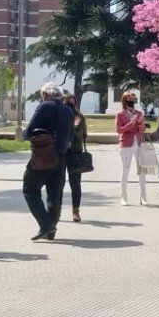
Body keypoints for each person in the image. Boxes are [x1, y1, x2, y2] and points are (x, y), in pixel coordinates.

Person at [23, 83, 75, 241]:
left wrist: (26, 133)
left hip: (43, 156)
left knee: (30, 190)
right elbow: (71, 135)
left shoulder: (45, 106)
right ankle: (51, 231)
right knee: (54, 195)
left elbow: (30, 130)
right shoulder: (68, 110)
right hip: (61, 157)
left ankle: (45, 225)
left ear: (45, 94)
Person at [115, 91, 148, 206]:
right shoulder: (120, 114)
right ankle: (123, 197)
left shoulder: (139, 113)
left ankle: (143, 197)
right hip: (126, 145)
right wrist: (131, 123)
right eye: (130, 99)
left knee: (141, 171)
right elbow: (119, 130)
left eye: (134, 99)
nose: (132, 102)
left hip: (138, 143)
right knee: (125, 171)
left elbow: (142, 130)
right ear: (125, 100)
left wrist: (140, 124)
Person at [63, 93, 87, 223]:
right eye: (67, 101)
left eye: (72, 101)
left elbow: (83, 136)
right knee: (58, 183)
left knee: (75, 185)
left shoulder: (80, 117)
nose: (70, 104)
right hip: (60, 154)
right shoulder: (59, 116)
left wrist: (76, 126)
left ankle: (75, 211)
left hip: (75, 154)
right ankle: (56, 210)